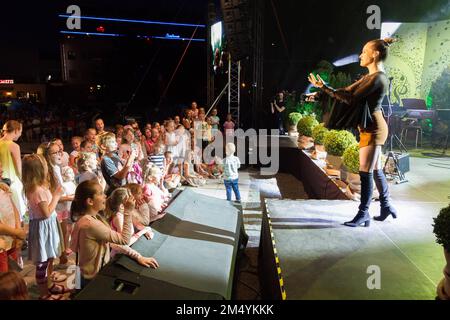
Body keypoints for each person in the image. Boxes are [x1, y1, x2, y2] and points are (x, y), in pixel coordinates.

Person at [308, 37, 398, 228]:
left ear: (374, 54)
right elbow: (346, 91)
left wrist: (325, 87)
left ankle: (363, 214)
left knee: (365, 171)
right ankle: (386, 206)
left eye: (364, 51)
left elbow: (350, 97)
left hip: (374, 129)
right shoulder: (370, 77)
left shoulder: (378, 77)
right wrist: (321, 91)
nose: (360, 55)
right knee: (375, 170)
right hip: (370, 127)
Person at [70, 180, 138, 288]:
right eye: (101, 193)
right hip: (92, 279)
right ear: (90, 201)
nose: (105, 196)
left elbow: (74, 248)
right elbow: (125, 239)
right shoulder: (91, 224)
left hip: (85, 275)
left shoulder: (88, 218)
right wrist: (128, 211)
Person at [22, 154, 70, 300]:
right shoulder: (38, 191)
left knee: (49, 258)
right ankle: (44, 294)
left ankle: (49, 285)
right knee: (42, 263)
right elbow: (47, 213)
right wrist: (56, 195)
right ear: (39, 170)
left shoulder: (38, 187)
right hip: (44, 228)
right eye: (44, 167)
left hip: (47, 227)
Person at [0, 121, 27, 219]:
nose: (20, 134)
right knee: (16, 216)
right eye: (20, 131)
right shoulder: (14, 146)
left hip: (1, 183)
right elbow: (18, 170)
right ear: (16, 130)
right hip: (12, 184)